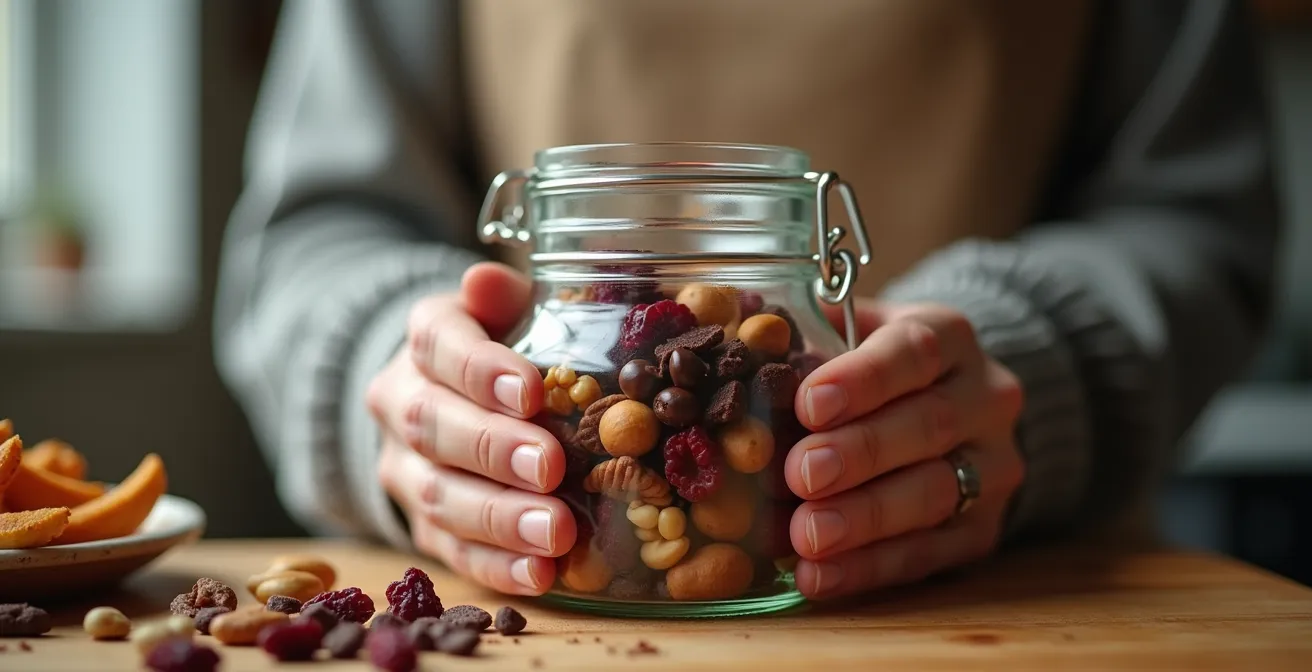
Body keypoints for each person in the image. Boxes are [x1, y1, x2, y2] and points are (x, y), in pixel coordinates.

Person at [215, 0, 1278, 599]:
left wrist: (1037, 367)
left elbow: (1201, 219)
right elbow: (312, 231)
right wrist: (403, 385)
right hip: (534, 610)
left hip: (1029, 609)